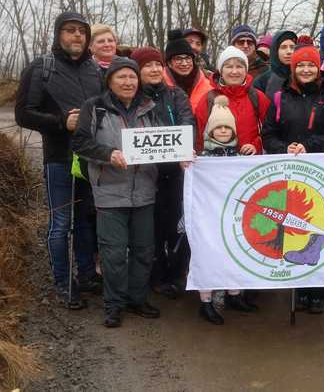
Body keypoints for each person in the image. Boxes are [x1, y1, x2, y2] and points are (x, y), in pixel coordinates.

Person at [15, 12, 102, 309]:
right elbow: (23, 114)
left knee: (85, 221)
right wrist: (61, 121)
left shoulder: (94, 70)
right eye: (69, 30)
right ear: (58, 35)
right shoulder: (41, 68)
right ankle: (64, 283)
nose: (76, 36)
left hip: (90, 158)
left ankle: (88, 275)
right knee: (61, 222)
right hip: (59, 159)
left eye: (81, 31)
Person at [72, 57, 164, 328]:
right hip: (109, 192)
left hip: (145, 191)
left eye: (132, 77)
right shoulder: (95, 107)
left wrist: (182, 154)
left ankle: (137, 298)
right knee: (112, 253)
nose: (128, 82)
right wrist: (107, 154)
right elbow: (80, 143)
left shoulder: (150, 107)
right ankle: (114, 304)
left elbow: (166, 140)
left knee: (144, 250)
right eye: (121, 77)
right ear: (109, 80)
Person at [261, 45, 324, 313]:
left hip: (321, 173)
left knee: (317, 226)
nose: (306, 70)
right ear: (293, 68)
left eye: (311, 65)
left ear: (317, 68)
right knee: (293, 228)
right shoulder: (279, 98)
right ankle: (297, 286)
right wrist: (283, 149)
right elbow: (268, 134)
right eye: (301, 65)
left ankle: (318, 289)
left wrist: (309, 146)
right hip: (287, 173)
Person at [130, 46, 195, 299]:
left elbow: (187, 123)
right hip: (146, 174)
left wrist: (183, 150)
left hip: (176, 173)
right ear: (138, 70)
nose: (155, 69)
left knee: (178, 227)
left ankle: (177, 273)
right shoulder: (133, 97)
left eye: (158, 64)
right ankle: (155, 277)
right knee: (151, 229)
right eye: (148, 66)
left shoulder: (175, 94)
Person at [196, 95, 260, 324]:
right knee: (208, 255)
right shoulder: (200, 159)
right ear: (210, 132)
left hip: (233, 215)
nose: (223, 131)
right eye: (218, 128)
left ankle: (234, 295)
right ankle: (206, 301)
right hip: (209, 217)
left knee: (235, 253)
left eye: (227, 127)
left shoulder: (240, 157)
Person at [163, 29, 212, 113]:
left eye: (188, 58)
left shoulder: (209, 84)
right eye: (178, 59)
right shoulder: (160, 83)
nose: (184, 63)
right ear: (169, 63)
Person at [253, 30, 297, 100]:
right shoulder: (262, 81)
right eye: (283, 47)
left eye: (292, 47)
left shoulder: (302, 76)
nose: (289, 51)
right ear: (275, 50)